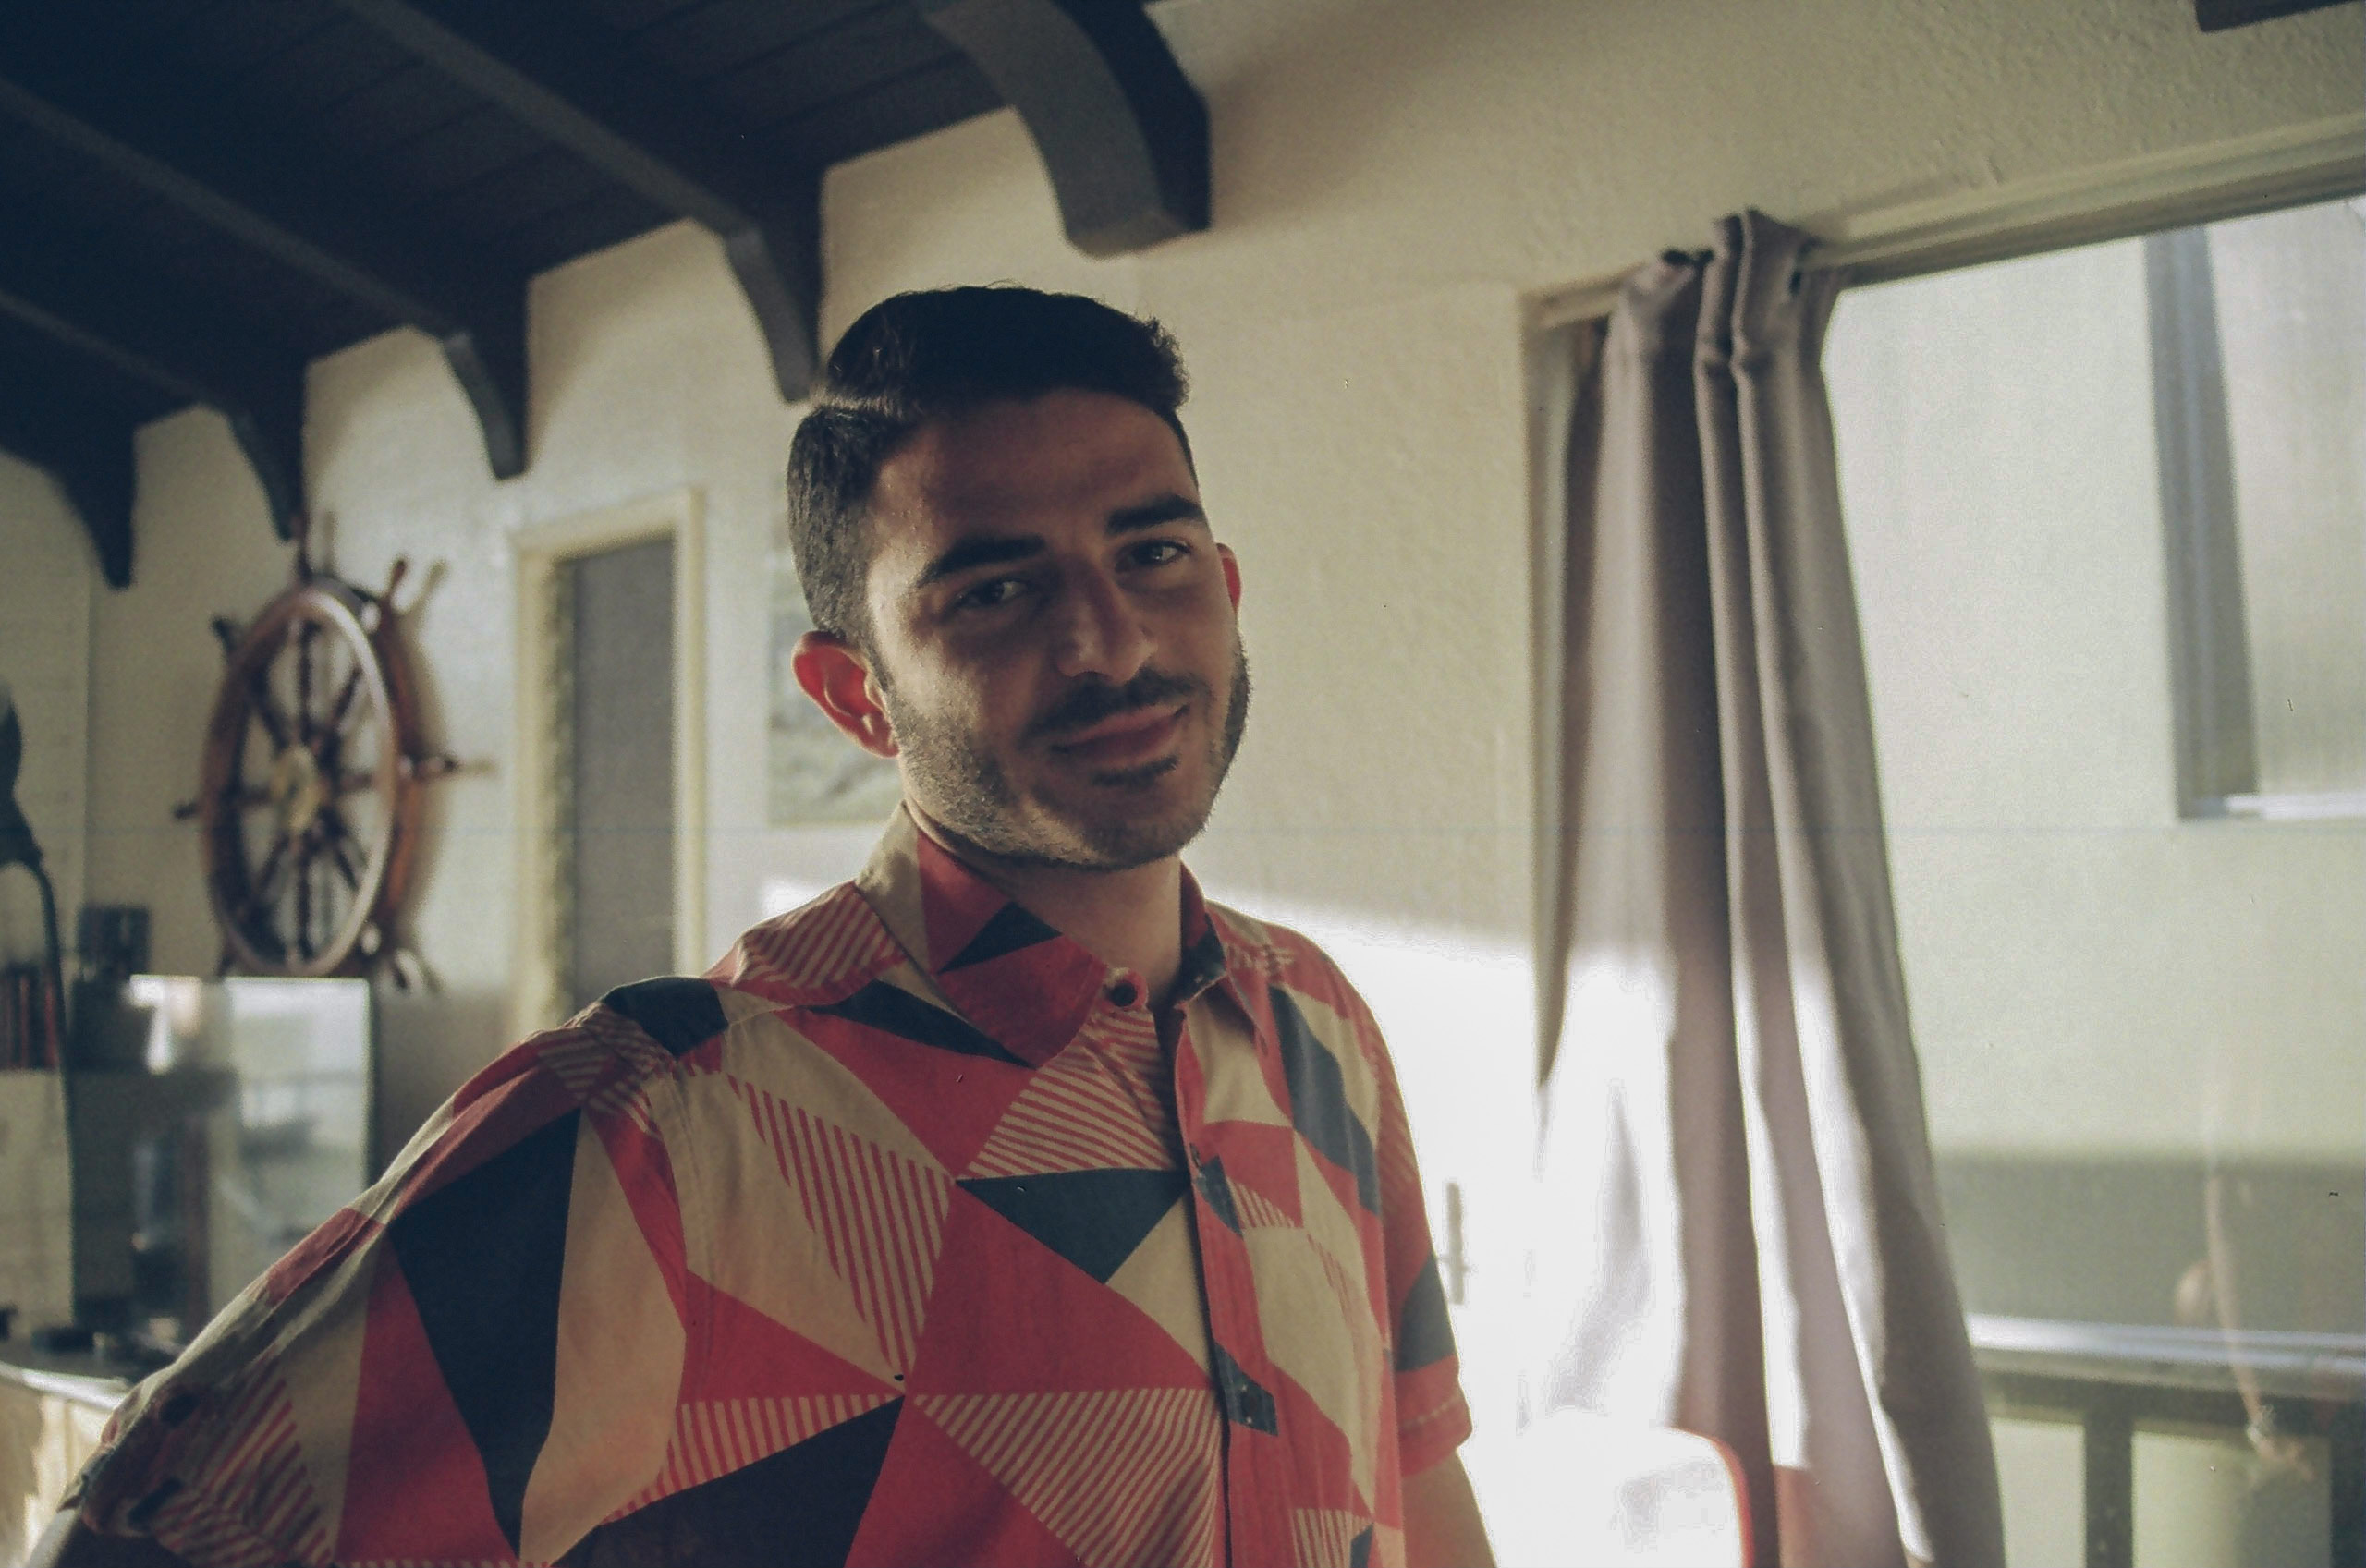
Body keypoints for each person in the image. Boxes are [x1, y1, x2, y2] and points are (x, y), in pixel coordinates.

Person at [37, 286, 1494, 1568]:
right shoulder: (663, 1121)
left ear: (1227, 592)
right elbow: (158, 1536)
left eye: (1155, 553)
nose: (1112, 639)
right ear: (853, 695)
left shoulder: (1321, 1028)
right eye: (994, 589)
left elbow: (1421, 1488)